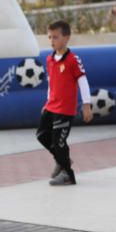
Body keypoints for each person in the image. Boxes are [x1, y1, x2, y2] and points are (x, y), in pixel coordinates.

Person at [38, 20, 93, 186]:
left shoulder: (73, 59)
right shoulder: (49, 59)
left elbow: (82, 81)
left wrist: (86, 104)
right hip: (52, 105)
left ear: (66, 38)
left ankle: (68, 174)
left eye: (55, 37)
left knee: (58, 142)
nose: (52, 41)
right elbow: (51, 82)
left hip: (65, 109)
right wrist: (47, 102)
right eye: (50, 37)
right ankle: (63, 160)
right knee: (41, 135)